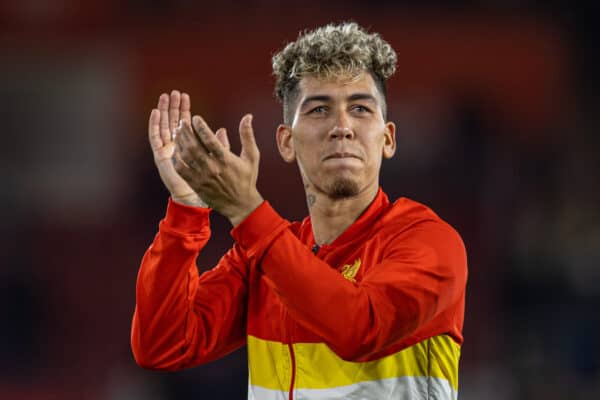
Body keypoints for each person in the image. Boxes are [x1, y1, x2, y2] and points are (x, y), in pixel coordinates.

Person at [131, 22, 467, 400]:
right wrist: (186, 210)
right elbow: (162, 344)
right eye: (320, 109)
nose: (342, 127)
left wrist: (247, 211)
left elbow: (360, 330)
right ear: (286, 143)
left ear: (387, 138)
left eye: (359, 108)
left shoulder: (430, 243)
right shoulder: (262, 259)